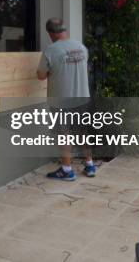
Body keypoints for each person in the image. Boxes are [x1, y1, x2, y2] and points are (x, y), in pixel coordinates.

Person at [37, 18, 95, 181]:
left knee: (65, 134)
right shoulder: (81, 47)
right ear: (64, 29)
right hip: (82, 97)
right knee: (83, 131)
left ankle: (67, 170)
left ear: (50, 33)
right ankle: (90, 165)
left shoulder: (51, 50)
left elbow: (41, 75)